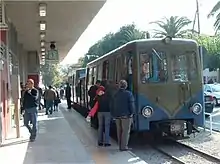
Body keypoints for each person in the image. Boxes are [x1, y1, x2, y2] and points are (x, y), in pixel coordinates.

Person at [111, 80, 135, 151]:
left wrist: (113, 114)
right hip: (126, 116)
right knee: (125, 131)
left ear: (119, 86)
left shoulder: (115, 94)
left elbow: (112, 105)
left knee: (119, 130)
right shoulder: (128, 94)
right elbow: (131, 105)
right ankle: (124, 147)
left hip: (117, 116)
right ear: (126, 86)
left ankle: (120, 145)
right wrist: (132, 113)